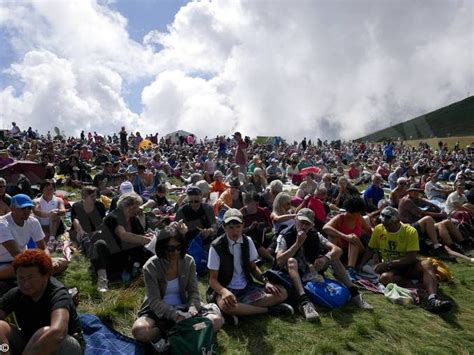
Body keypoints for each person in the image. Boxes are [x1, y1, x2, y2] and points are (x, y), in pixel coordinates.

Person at [131, 222, 223, 350]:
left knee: (216, 321)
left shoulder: (188, 261)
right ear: (162, 248)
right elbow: (154, 301)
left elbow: (193, 292)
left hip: (185, 309)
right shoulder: (151, 266)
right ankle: (182, 333)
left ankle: (170, 337)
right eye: (170, 249)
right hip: (159, 312)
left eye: (179, 247)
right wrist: (175, 315)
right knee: (139, 331)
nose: (175, 252)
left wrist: (191, 309)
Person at [275, 209, 373, 321]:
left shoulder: (315, 234)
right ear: (295, 220)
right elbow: (280, 261)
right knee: (292, 261)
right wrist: (297, 244)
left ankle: (354, 293)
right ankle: (304, 301)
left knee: (334, 257)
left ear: (312, 225)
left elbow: (337, 250)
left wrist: (325, 258)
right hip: (292, 272)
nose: (303, 226)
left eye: (307, 224)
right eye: (301, 222)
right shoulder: (285, 235)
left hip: (311, 268)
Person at [360, 207, 452, 313]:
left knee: (427, 263)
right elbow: (370, 249)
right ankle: (418, 286)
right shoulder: (379, 229)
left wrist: (388, 264)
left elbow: (411, 257)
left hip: (408, 265)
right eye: (384, 224)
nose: (386, 227)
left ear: (397, 221)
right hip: (394, 269)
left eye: (389, 225)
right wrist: (361, 265)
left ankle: (432, 298)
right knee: (385, 278)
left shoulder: (410, 231)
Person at [207, 209, 293, 323]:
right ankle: (269, 310)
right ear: (224, 227)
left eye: (238, 226)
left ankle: (241, 310)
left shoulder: (248, 241)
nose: (235, 231)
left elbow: (253, 267)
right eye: (231, 227)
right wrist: (224, 292)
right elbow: (212, 280)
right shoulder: (216, 246)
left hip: (246, 286)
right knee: (226, 305)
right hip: (226, 287)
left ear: (243, 226)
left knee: (282, 293)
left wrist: (265, 281)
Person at [0, 250, 82, 354]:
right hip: (29, 342)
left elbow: (58, 332)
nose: (26, 284)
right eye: (21, 278)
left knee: (45, 332)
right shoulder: (17, 294)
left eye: (31, 278)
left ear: (45, 276)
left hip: (63, 345)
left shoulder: (58, 295)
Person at [91, 192, 153, 292]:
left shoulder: (134, 220)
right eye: (135, 207)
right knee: (100, 244)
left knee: (144, 246)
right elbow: (123, 235)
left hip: (123, 254)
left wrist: (147, 237)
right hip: (110, 254)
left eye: (137, 207)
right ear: (127, 207)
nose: (137, 210)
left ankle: (140, 271)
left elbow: (140, 234)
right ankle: (102, 279)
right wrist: (144, 239)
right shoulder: (114, 217)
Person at [0, 194, 68, 281]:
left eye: (29, 208)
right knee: (19, 270)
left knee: (62, 262)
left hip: (24, 260)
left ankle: (35, 275)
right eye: (22, 208)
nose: (27, 211)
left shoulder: (33, 222)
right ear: (12, 208)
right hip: (4, 262)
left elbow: (43, 248)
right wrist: (39, 264)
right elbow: (15, 253)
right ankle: (38, 275)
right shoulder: (2, 224)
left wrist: (47, 261)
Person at [323, 197, 372, 272]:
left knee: (353, 238)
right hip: (341, 250)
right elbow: (326, 228)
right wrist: (345, 237)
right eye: (358, 212)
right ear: (349, 212)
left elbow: (369, 230)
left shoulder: (359, 219)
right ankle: (332, 262)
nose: (359, 214)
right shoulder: (340, 218)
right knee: (332, 236)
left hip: (358, 249)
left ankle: (350, 268)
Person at [240, 192, 274, 263]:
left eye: (257, 203)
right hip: (249, 239)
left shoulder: (261, 211)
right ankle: (270, 258)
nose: (256, 205)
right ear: (246, 203)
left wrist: (264, 227)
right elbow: (238, 231)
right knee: (251, 240)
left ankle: (263, 255)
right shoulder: (241, 214)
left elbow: (270, 227)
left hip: (262, 237)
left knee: (277, 238)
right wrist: (250, 227)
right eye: (253, 203)